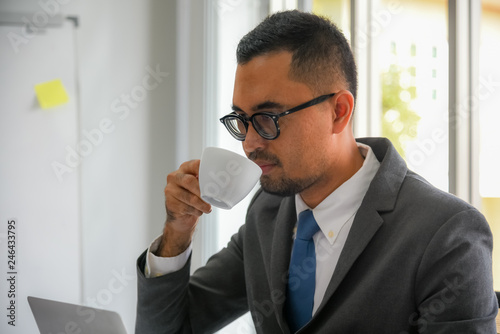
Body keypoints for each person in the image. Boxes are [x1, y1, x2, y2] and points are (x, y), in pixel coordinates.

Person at [135, 10, 498, 334]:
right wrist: (177, 232)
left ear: (339, 111)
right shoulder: (266, 212)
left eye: (267, 118)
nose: (248, 144)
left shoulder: (447, 233)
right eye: (242, 120)